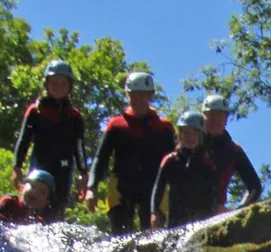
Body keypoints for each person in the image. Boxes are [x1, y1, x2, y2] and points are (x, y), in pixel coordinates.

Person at [85, 72, 176, 235]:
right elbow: (101, 158)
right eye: (133, 95)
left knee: (153, 239)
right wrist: (92, 187)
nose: (138, 100)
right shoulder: (116, 125)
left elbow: (176, 164)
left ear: (150, 96)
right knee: (119, 236)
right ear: (127, 95)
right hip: (122, 187)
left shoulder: (164, 128)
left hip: (153, 189)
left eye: (143, 95)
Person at [12, 59, 87, 221]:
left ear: (69, 87)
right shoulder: (36, 111)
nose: (58, 87)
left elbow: (79, 147)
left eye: (63, 84)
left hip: (63, 168)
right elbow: (24, 140)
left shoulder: (74, 116)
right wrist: (17, 166)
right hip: (39, 165)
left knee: (57, 206)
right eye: (54, 83)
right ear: (46, 84)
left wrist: (83, 172)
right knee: (31, 202)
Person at [150, 111, 219, 228]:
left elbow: (213, 196)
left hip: (201, 222)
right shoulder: (170, 160)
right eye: (186, 133)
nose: (190, 137)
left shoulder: (208, 164)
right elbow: (158, 189)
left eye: (195, 133)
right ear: (180, 134)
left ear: (201, 136)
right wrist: (154, 212)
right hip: (175, 222)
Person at [201, 95, 262, 211]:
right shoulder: (188, 144)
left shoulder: (234, 151)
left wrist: (237, 212)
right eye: (211, 115)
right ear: (203, 117)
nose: (215, 120)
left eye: (220, 115)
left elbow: (254, 187)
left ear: (226, 119)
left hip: (213, 216)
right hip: (184, 213)